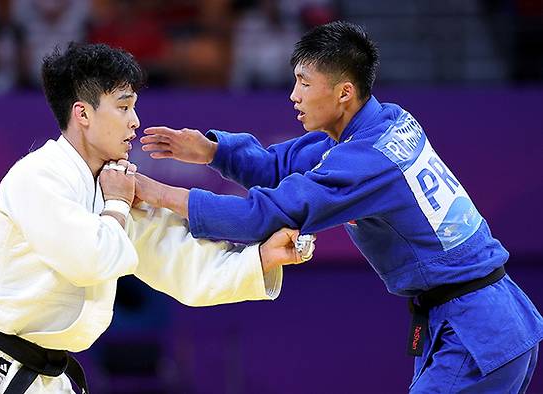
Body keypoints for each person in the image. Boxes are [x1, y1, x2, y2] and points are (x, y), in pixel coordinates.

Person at [137, 21, 543, 392]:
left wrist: (155, 192)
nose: (293, 95)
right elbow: (277, 165)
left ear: (343, 91)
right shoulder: (380, 123)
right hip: (482, 320)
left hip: (476, 330)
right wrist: (212, 150)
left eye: (303, 83)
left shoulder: (367, 160)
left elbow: (263, 216)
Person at [0, 43, 307, 394]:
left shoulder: (113, 184)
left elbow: (181, 265)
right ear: (82, 113)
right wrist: (116, 204)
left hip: (45, 373)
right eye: (123, 106)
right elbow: (90, 261)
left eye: (134, 106)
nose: (134, 121)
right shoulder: (38, 176)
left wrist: (261, 259)